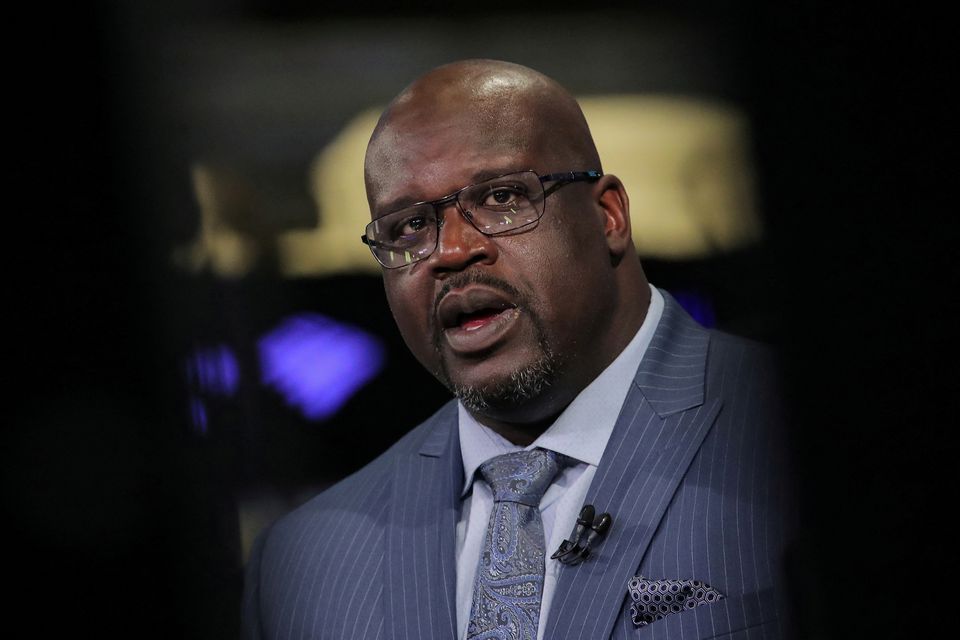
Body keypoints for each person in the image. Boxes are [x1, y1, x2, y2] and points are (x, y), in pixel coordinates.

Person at [242, 59, 796, 640]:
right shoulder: (303, 564)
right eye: (408, 227)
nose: (452, 251)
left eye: (502, 197)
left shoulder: (789, 434)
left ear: (608, 216)